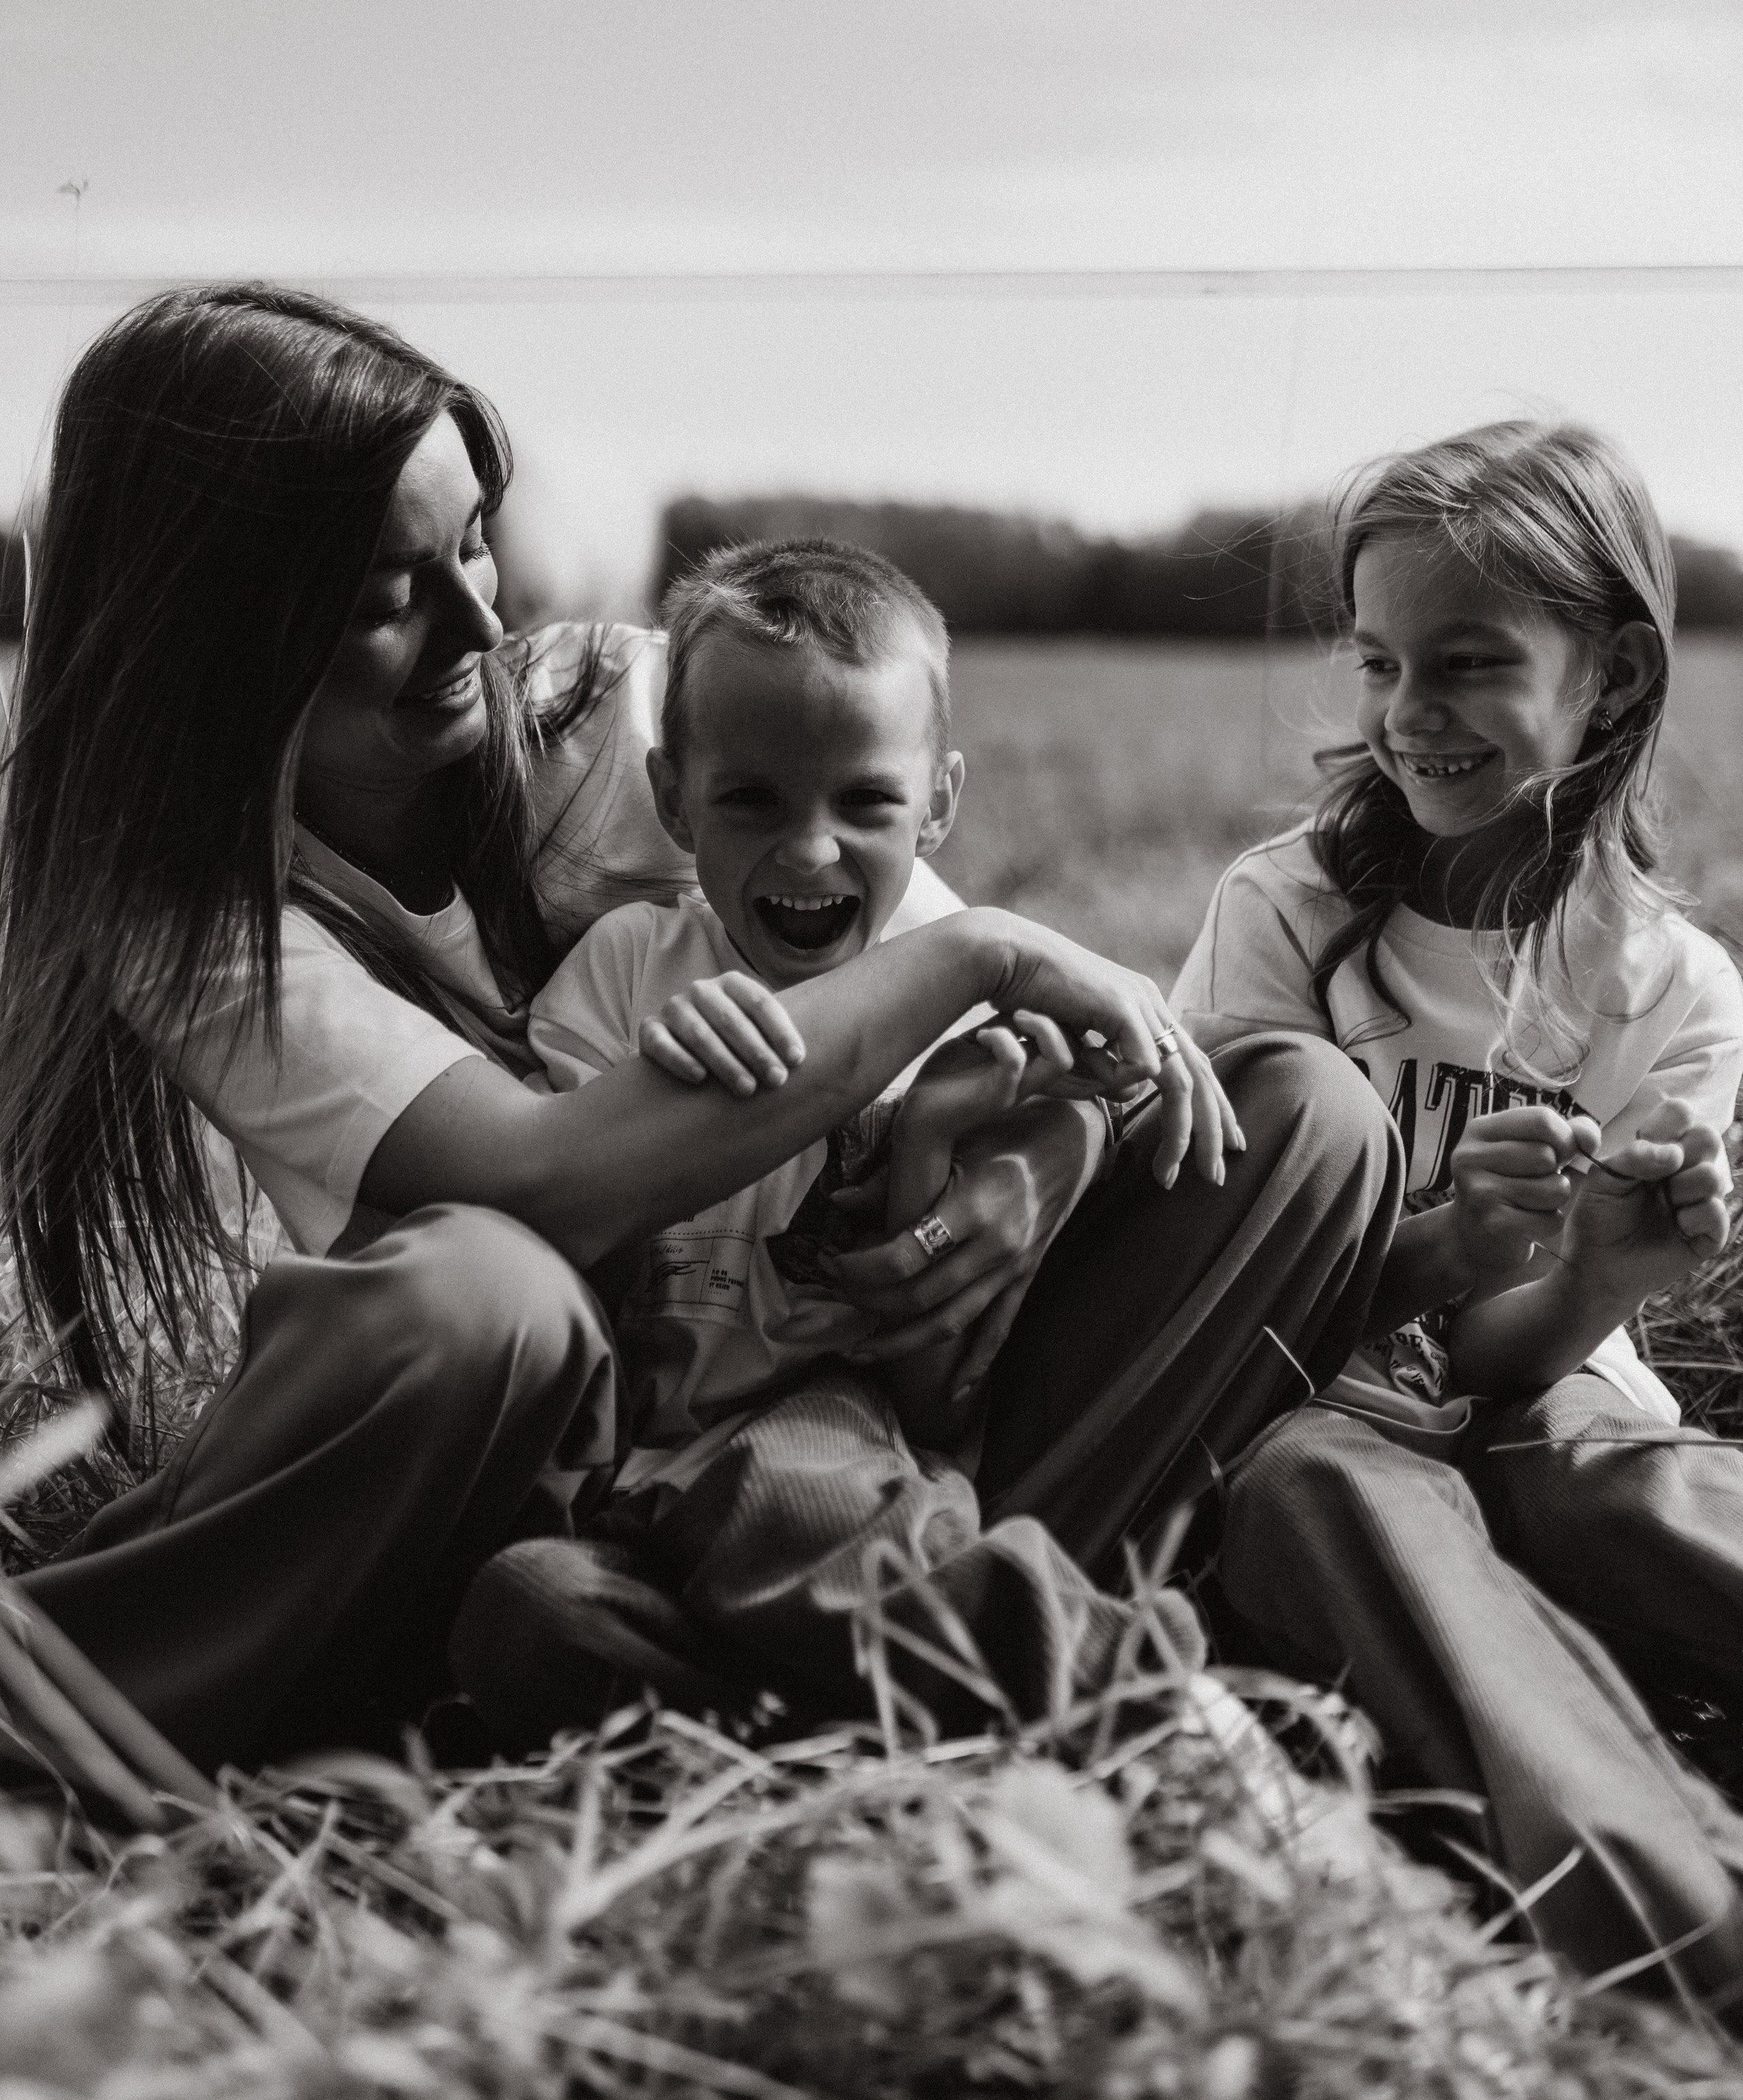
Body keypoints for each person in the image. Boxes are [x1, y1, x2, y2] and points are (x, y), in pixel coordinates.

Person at [0, 283, 1398, 1779]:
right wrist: (990, 952)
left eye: (476, 539)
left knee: (1298, 1113)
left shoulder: (626, 709)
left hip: (857, 1391)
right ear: (218, 630)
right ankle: (82, 1704)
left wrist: (1039, 1146)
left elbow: (934, 999)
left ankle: (811, 1654)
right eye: (383, 596)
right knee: (482, 1295)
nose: (483, 617)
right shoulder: (179, 904)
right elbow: (541, 1179)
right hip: (544, 1450)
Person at [1172, 419, 1743, 1993]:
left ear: (1611, 677)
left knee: (1596, 1475)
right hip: (1316, 1411)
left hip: (1542, 1401)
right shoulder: (1277, 918)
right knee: (1314, 1489)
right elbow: (1207, 1311)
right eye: (1376, 665)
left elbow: (1510, 1374)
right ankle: (1676, 1919)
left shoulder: (1676, 995)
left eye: (1468, 664)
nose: (1406, 717)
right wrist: (1435, 1247)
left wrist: (1587, 1282)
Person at [515, 536, 1176, 1728]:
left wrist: (931, 1146)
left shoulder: (968, 1014)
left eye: (866, 800)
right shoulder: (624, 974)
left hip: (824, 1447)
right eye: (751, 799)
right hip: (627, 1486)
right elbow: (565, 1268)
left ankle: (1141, 1704)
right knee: (528, 1612)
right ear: (672, 798)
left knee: (783, 1492)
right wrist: (659, 1105)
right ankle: (847, 1725)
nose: (810, 849)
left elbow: (935, 1394)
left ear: (940, 804)